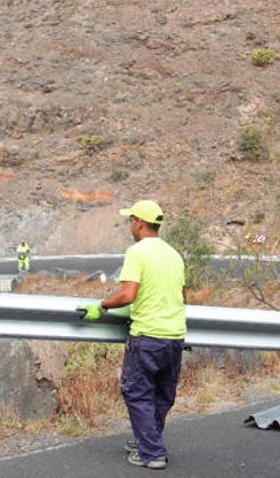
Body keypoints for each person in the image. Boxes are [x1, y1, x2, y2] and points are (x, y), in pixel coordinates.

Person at [78, 200, 186, 470]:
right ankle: (147, 440)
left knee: (137, 392)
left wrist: (100, 306)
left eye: (130, 220)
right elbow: (182, 296)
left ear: (139, 222)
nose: (130, 225)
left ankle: (151, 453)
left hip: (147, 336)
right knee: (162, 394)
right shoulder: (174, 254)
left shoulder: (137, 252)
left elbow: (128, 294)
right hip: (174, 336)